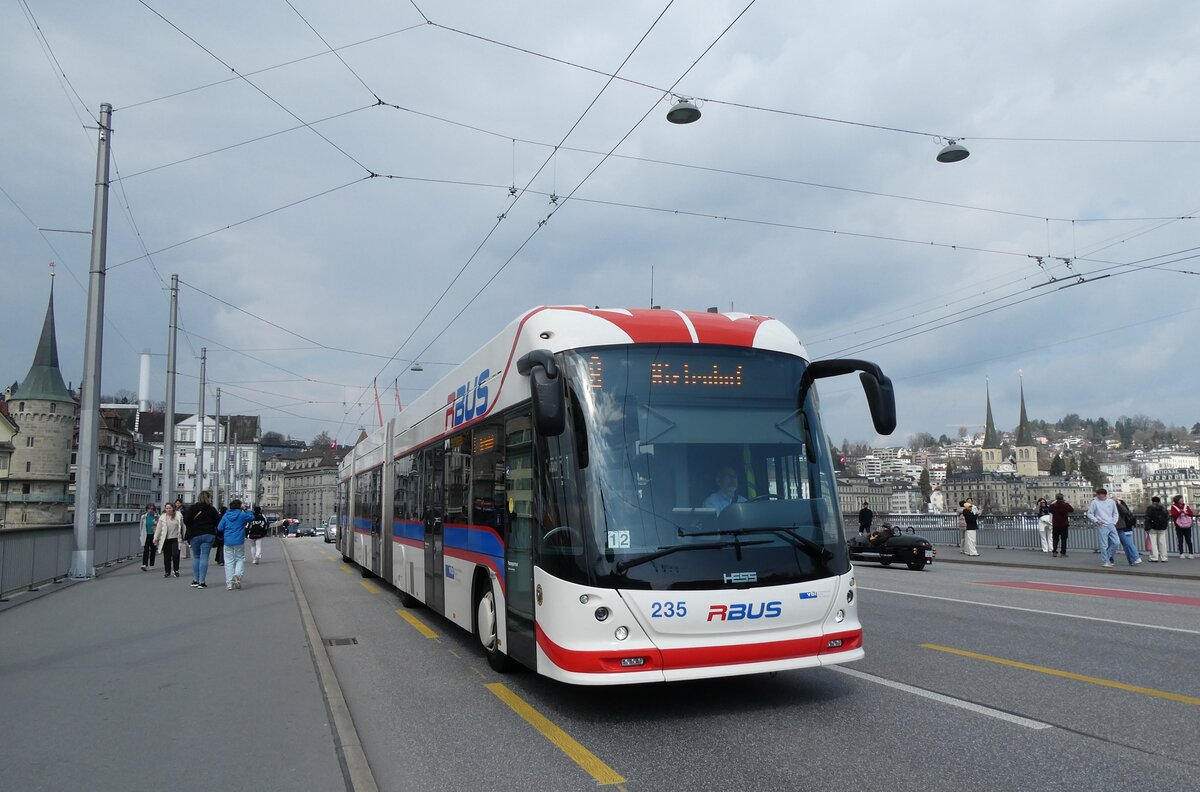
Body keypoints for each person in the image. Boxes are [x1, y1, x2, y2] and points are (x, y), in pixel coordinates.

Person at [184, 490, 221, 588]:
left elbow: (186, 520)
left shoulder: (192, 508)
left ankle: (195, 580)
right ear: (208, 498)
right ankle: (202, 581)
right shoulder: (212, 509)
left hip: (195, 535)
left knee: (196, 557)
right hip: (208, 534)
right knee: (204, 557)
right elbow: (218, 521)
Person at [216, 499, 254, 590]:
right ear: (240, 506)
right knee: (240, 559)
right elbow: (252, 517)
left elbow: (219, 528)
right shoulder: (242, 515)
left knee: (228, 562)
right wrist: (245, 509)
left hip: (227, 541)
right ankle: (237, 575)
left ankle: (229, 584)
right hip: (239, 541)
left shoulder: (226, 515)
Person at [1087, 488, 1120, 568]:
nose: (1098, 496)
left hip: (1111, 525)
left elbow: (1115, 513)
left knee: (1116, 542)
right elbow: (1089, 513)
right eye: (1097, 494)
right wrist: (1097, 521)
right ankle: (1105, 561)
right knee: (1104, 545)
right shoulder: (1094, 502)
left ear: (1104, 495)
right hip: (1102, 525)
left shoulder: (1111, 502)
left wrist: (1114, 522)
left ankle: (1108, 556)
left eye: (1100, 495)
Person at [152, 502, 184, 578]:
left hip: (176, 538)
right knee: (167, 556)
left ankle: (176, 570)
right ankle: (167, 571)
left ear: (173, 508)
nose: (168, 510)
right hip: (166, 539)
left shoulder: (178, 515)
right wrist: (155, 538)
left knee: (176, 555)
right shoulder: (162, 517)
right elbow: (158, 528)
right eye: (167, 508)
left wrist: (184, 536)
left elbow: (182, 526)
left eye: (170, 508)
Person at [1114, 496, 1142, 566]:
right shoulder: (1125, 508)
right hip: (1128, 528)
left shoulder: (1118, 508)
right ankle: (1132, 560)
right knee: (1127, 544)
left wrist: (1118, 503)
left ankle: (1135, 558)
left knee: (1127, 544)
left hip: (1122, 528)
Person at [1145, 496, 1171, 562]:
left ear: (1152, 501)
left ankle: (1154, 557)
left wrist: (1146, 527)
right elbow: (1167, 517)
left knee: (1153, 543)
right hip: (1162, 527)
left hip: (1152, 527)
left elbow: (1147, 518)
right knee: (1162, 542)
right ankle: (1164, 558)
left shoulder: (1150, 508)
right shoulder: (1163, 508)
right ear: (1159, 501)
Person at [1048, 493, 1074, 558]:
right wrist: (1066, 503)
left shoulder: (1053, 505)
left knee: (1055, 539)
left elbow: (1050, 510)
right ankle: (1063, 553)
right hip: (1064, 524)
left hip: (1055, 524)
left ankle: (1054, 551)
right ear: (1062, 498)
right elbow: (1071, 510)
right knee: (1063, 539)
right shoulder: (1065, 505)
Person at [1170, 495, 1195, 559]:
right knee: (1180, 540)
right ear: (1177, 500)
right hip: (1179, 526)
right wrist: (1179, 512)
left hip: (1187, 526)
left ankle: (1191, 553)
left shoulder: (1186, 506)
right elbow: (1173, 515)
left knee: (1188, 540)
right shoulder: (1174, 507)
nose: (1182, 500)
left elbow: (1191, 514)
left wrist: (1186, 513)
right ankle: (1181, 553)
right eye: (1180, 499)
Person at [140, 504, 158, 571]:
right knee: (146, 549)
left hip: (154, 535)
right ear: (147, 509)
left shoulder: (157, 516)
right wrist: (141, 534)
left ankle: (151, 564)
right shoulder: (143, 517)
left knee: (153, 550)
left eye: (152, 509)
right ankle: (144, 564)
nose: (151, 510)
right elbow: (141, 526)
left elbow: (159, 526)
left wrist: (156, 523)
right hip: (146, 535)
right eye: (149, 509)